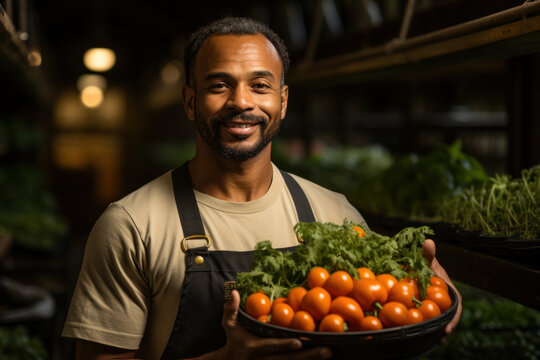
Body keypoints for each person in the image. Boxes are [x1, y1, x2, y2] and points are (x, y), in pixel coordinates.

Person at [62, 16, 462, 360]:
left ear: (283, 101)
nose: (241, 101)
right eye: (219, 85)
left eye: (260, 85)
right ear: (189, 101)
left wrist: (429, 295)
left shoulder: (334, 213)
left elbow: (378, 323)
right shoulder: (131, 226)